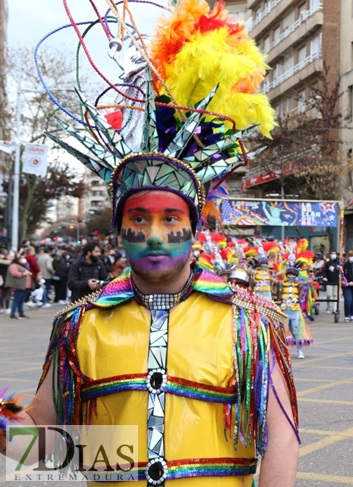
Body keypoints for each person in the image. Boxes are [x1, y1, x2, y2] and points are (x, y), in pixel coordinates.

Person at [0, 2, 299, 484]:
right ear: (120, 229)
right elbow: (46, 440)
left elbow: (280, 438)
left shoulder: (248, 322)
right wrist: (4, 425)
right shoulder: (81, 325)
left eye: (171, 217)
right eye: (139, 218)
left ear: (195, 227)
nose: (155, 234)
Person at [5, 254, 32, 319]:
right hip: (18, 285)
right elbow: (14, 273)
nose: (23, 259)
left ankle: (21, 313)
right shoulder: (13, 265)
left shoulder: (19, 265)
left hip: (23, 285)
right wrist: (24, 274)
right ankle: (13, 314)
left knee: (20, 301)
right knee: (16, 300)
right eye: (21, 258)